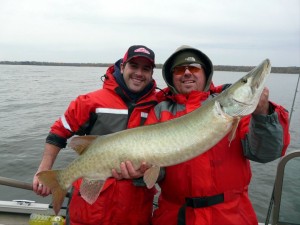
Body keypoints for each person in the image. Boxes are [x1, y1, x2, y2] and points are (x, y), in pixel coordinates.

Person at [114, 45, 290, 225]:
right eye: (180, 69)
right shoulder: (160, 111)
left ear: (205, 73)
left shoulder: (236, 112)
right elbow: (158, 170)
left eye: (194, 68)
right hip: (176, 216)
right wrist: (139, 173)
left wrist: (262, 116)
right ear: (171, 77)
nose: (187, 73)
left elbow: (266, 153)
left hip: (230, 216)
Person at [33, 45, 158, 225]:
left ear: (152, 73)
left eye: (145, 69)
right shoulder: (91, 102)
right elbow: (58, 132)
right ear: (122, 67)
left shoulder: (159, 106)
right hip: (90, 211)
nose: (139, 73)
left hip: (134, 212)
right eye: (134, 66)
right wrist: (43, 170)